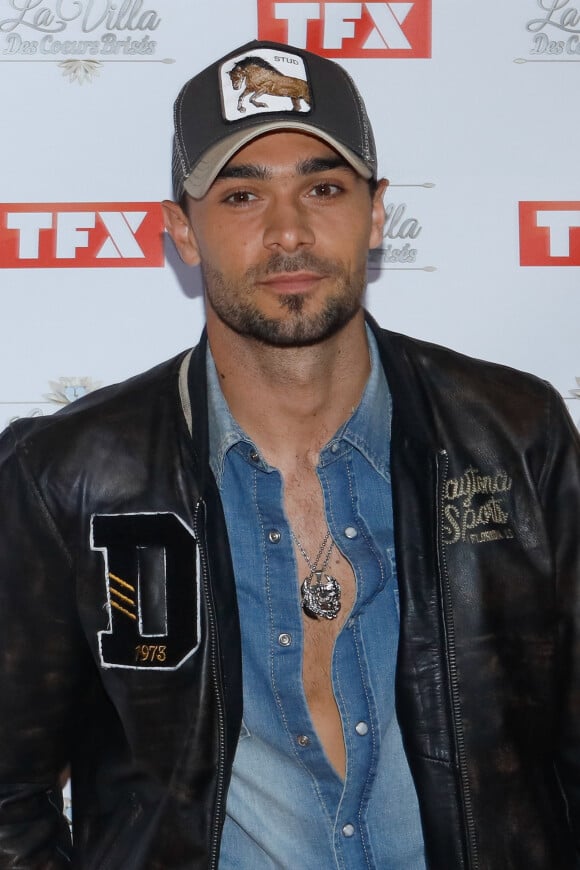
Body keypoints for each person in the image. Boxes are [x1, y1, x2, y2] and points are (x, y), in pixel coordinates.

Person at [0, 38, 579, 870]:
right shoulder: (68, 473)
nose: (288, 233)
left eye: (324, 188)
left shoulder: (514, 432)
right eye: (241, 196)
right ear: (181, 232)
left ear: (376, 214)